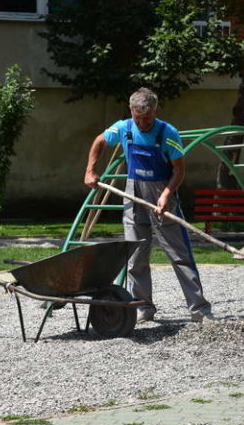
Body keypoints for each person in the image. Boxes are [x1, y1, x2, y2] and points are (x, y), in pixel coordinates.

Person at [84, 88, 213, 323]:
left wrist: (166, 195)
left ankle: (200, 309)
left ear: (156, 111)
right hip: (134, 195)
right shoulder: (124, 127)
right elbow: (100, 140)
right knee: (135, 256)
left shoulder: (168, 132)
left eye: (147, 118)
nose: (142, 123)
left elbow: (179, 169)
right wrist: (91, 170)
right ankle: (143, 307)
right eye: (138, 118)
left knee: (179, 254)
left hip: (162, 192)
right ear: (131, 111)